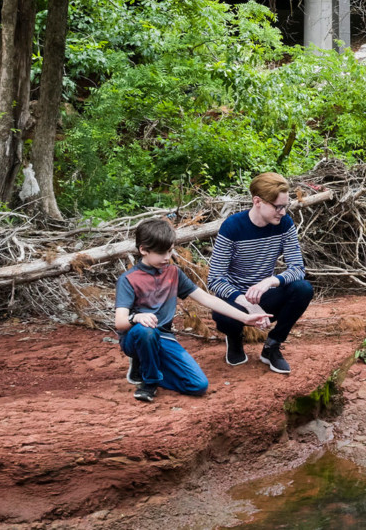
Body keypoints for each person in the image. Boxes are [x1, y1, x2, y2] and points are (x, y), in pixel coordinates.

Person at [115, 217, 271, 403]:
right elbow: (120, 322)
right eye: (161, 253)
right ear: (143, 250)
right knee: (145, 331)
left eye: (170, 251)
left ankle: (147, 365)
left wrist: (245, 318)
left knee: (198, 385)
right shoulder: (128, 279)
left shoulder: (173, 273)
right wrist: (137, 318)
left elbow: (206, 298)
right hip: (136, 336)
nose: (167, 257)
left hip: (163, 336)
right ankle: (149, 382)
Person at [206, 172, 316, 374]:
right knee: (223, 316)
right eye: (278, 207)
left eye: (285, 206)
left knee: (303, 289)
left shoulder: (285, 225)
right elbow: (215, 280)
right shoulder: (232, 227)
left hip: (265, 295)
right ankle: (234, 337)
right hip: (236, 299)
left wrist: (269, 282)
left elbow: (297, 269)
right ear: (258, 201)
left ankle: (272, 346)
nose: (282, 212)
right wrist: (247, 303)